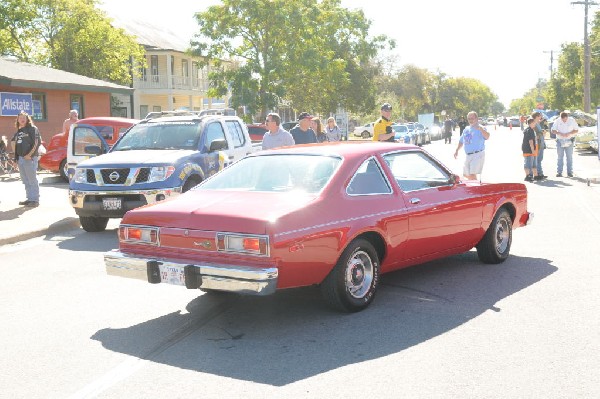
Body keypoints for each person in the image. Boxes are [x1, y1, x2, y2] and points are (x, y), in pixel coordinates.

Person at [11, 111, 41, 207]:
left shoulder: (32, 128)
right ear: (18, 120)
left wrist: (30, 155)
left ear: (27, 119)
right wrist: (15, 160)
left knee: (32, 179)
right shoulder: (19, 131)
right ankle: (29, 199)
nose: (22, 119)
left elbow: (37, 142)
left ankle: (35, 200)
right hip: (20, 159)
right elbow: (16, 147)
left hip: (29, 158)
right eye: (20, 118)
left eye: (24, 117)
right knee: (25, 180)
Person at [453, 111, 490, 180]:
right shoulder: (466, 129)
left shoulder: (481, 128)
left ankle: (476, 188)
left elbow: (487, 137)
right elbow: (461, 141)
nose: (470, 120)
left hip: (478, 154)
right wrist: (457, 150)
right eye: (469, 119)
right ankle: (476, 186)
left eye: (472, 118)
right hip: (468, 155)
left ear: (476, 119)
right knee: (466, 174)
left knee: (472, 174)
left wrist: (481, 130)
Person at [551, 111, 579, 177]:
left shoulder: (572, 120)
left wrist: (569, 133)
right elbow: (553, 130)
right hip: (560, 140)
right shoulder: (557, 121)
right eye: (563, 120)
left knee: (569, 157)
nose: (564, 121)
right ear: (560, 118)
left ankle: (570, 172)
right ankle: (559, 172)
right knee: (560, 157)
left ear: (567, 117)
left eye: (565, 119)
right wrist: (559, 133)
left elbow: (576, 130)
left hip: (569, 140)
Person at [531, 111, 547, 180]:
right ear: (536, 116)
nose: (541, 117)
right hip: (537, 144)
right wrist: (542, 133)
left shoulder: (537, 123)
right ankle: (537, 174)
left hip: (541, 143)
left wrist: (542, 132)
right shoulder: (533, 124)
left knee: (539, 159)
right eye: (540, 116)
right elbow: (534, 135)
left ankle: (540, 173)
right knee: (536, 160)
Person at [522, 117, 539, 182]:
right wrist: (533, 150)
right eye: (534, 122)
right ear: (531, 123)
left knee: (532, 163)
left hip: (529, 148)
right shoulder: (530, 130)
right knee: (528, 163)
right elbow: (530, 141)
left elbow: (533, 138)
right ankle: (528, 176)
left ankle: (535, 175)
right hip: (529, 149)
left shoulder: (530, 129)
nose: (535, 123)